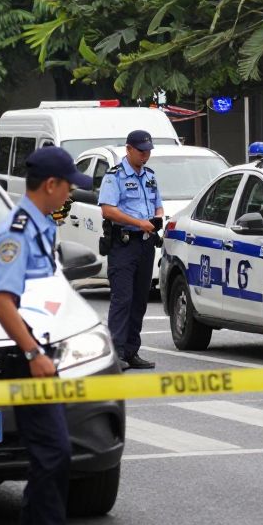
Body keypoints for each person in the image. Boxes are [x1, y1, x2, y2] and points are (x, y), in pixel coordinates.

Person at [0, 146, 96, 525]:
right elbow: (0, 300)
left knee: (49, 455)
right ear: (50, 185)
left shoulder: (38, 228)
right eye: (69, 186)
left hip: (43, 353)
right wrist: (32, 353)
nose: (70, 194)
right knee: (54, 454)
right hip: (25, 358)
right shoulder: (15, 234)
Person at [99, 129, 164, 370]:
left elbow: (158, 205)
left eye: (148, 151)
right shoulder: (114, 176)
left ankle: (131, 351)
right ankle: (115, 355)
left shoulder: (150, 176)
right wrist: (138, 222)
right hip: (123, 244)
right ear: (128, 150)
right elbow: (108, 210)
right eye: (141, 151)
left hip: (146, 243)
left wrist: (157, 218)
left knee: (139, 300)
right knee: (122, 299)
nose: (145, 155)